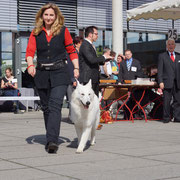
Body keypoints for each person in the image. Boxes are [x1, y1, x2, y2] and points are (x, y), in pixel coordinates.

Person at [26, 3, 79, 153]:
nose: (49, 17)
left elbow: (71, 50)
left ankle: (52, 141)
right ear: (42, 16)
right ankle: (51, 135)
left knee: (55, 104)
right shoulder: (35, 32)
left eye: (51, 15)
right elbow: (30, 52)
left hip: (60, 72)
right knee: (47, 108)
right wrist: (30, 65)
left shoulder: (63, 31)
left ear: (56, 16)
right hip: (42, 73)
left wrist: (76, 67)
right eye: (46, 14)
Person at [79, 26, 112, 97]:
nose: (97, 36)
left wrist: (104, 60)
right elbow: (91, 60)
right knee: (89, 102)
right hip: (88, 78)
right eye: (96, 34)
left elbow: (92, 60)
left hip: (93, 77)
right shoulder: (85, 45)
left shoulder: (89, 45)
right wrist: (104, 56)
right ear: (90, 34)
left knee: (94, 101)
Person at [158, 38, 180, 123]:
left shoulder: (179, 56)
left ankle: (177, 117)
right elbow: (160, 70)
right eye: (169, 44)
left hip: (178, 82)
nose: (171, 46)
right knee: (166, 101)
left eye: (172, 44)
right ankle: (166, 118)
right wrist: (160, 81)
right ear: (167, 46)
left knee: (178, 101)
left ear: (174, 46)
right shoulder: (162, 56)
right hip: (167, 82)